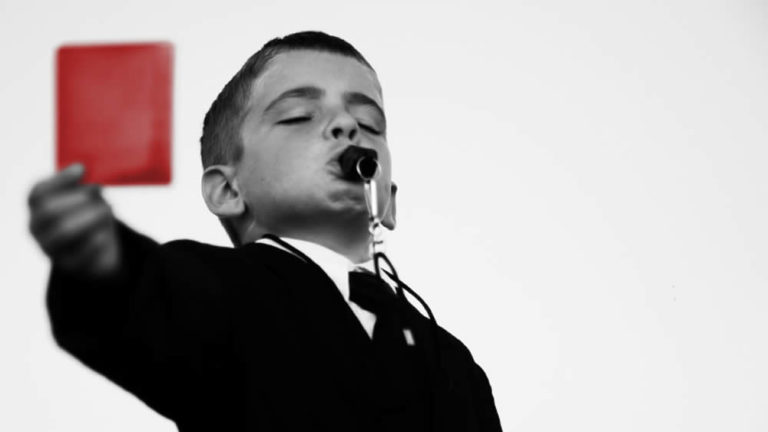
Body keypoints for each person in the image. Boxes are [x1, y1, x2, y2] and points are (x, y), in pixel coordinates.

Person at [28, 31, 502, 431]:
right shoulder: (216, 288)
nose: (347, 125)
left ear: (389, 201)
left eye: (369, 123)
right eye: (298, 116)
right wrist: (102, 259)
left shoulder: (454, 362)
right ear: (227, 190)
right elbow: (146, 297)